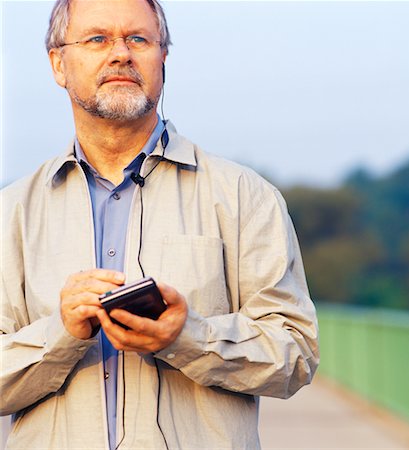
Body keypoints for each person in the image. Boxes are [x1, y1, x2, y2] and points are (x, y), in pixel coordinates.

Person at [0, 0, 319, 448]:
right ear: (58, 63)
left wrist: (188, 336)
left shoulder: (245, 196)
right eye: (97, 39)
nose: (120, 54)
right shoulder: (10, 213)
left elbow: (297, 352)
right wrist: (62, 333)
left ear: (162, 59)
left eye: (139, 39)